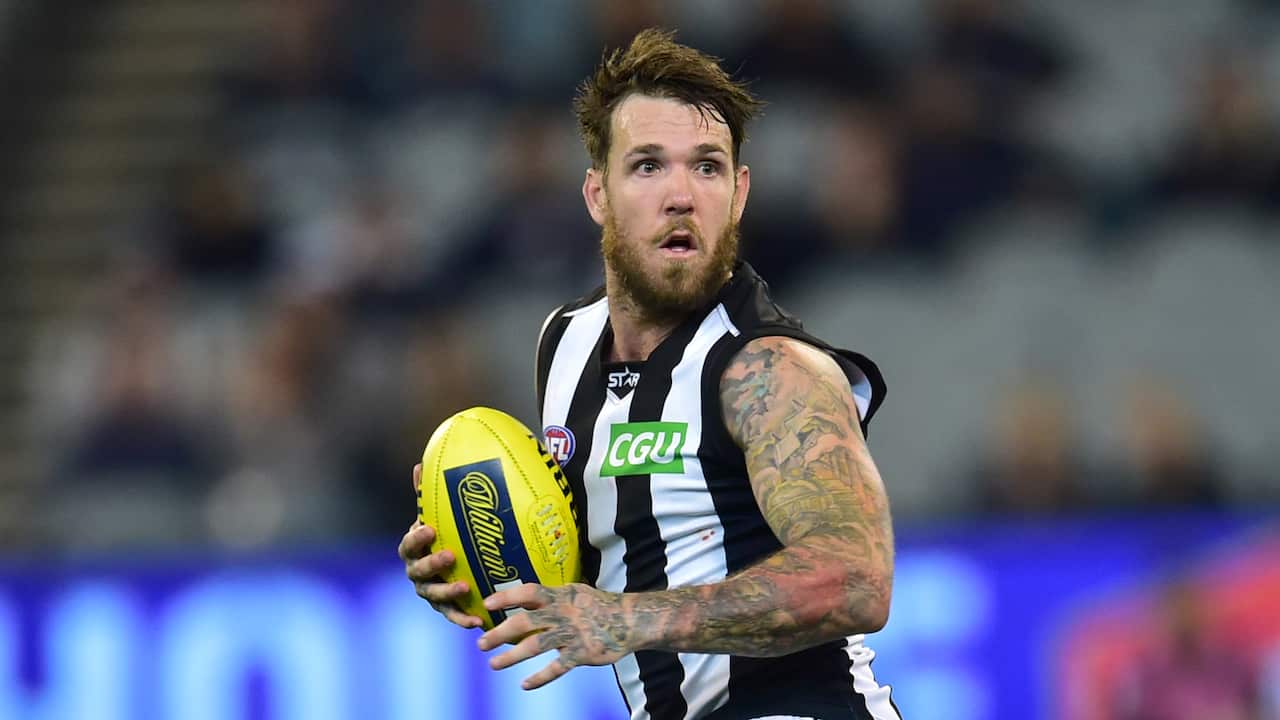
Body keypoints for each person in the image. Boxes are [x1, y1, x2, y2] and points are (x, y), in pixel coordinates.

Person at [399, 29, 901, 720]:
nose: (681, 195)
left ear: (740, 191)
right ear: (597, 193)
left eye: (707, 167)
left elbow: (857, 581)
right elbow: (607, 553)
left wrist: (628, 619)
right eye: (647, 167)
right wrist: (478, 562)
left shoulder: (770, 370)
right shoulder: (567, 341)